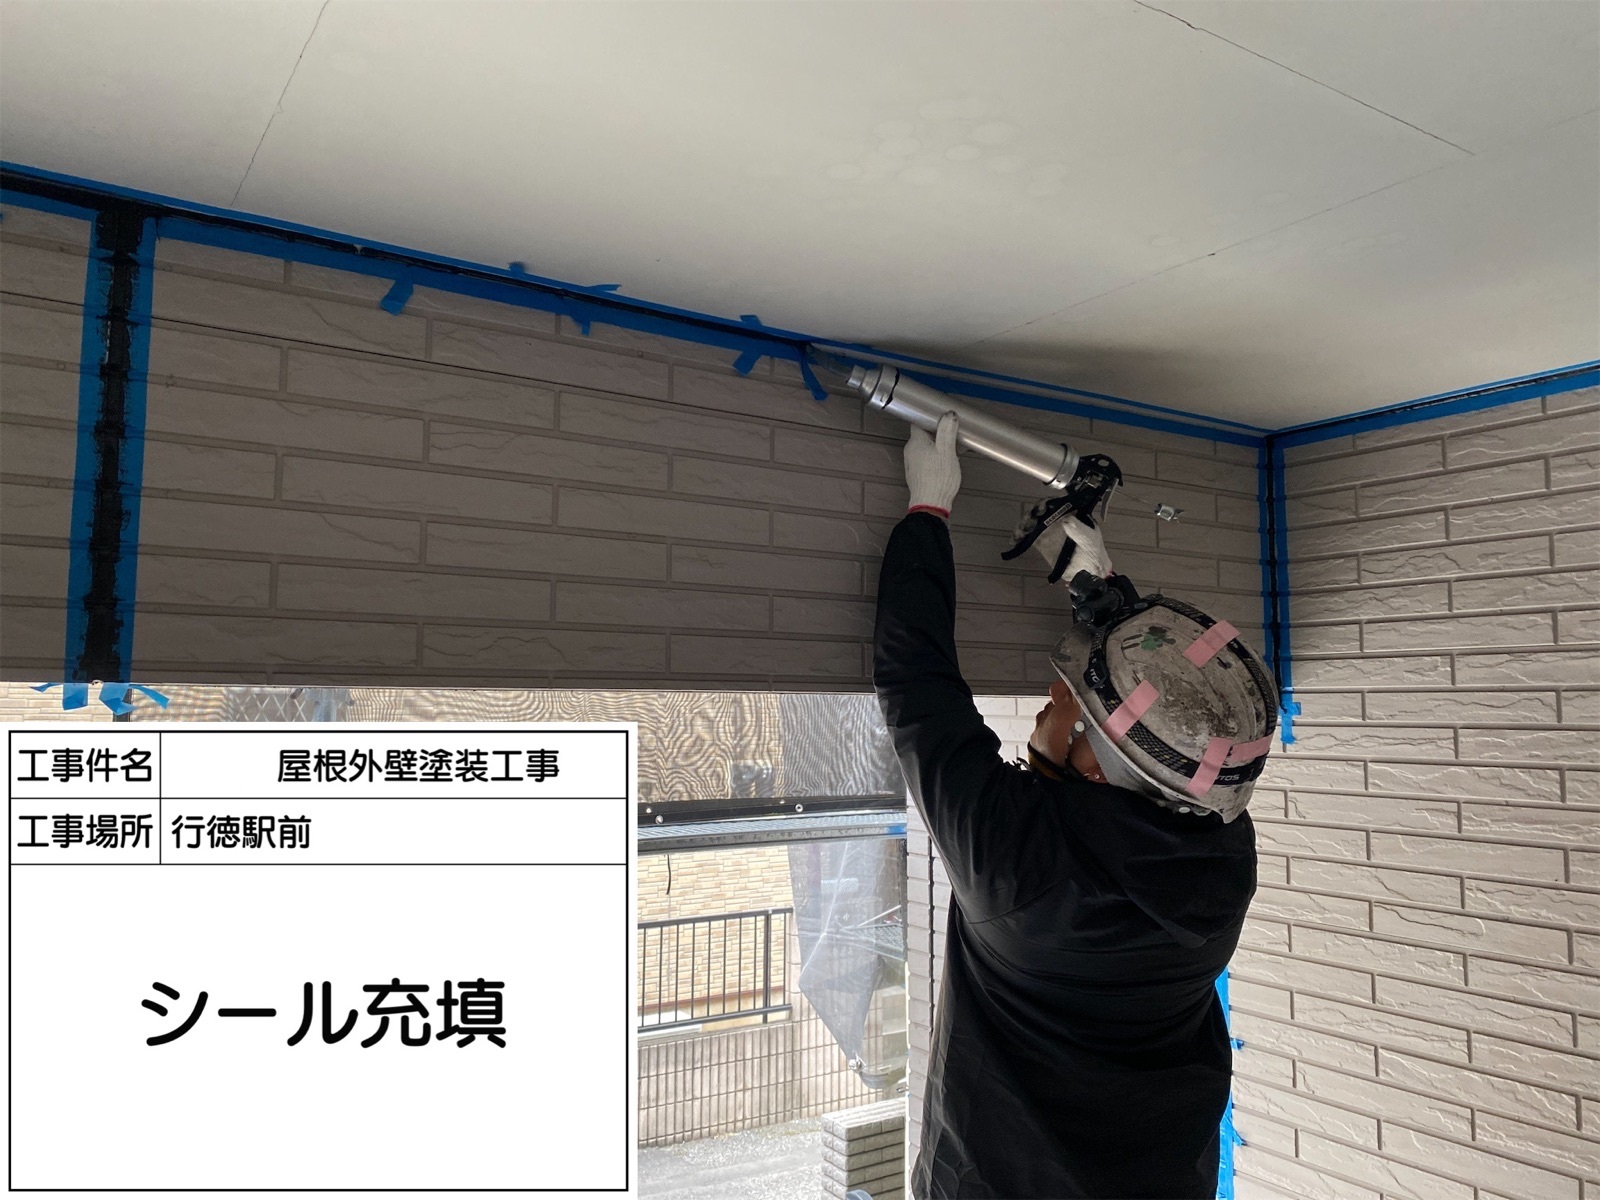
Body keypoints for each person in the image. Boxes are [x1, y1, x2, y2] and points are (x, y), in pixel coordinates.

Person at [873, 413, 1266, 1200]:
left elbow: (919, 688)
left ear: (1097, 769)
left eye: (1074, 710)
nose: (1055, 703)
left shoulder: (1021, 868)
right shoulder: (1217, 864)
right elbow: (1158, 757)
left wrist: (928, 509)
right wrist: (1105, 599)